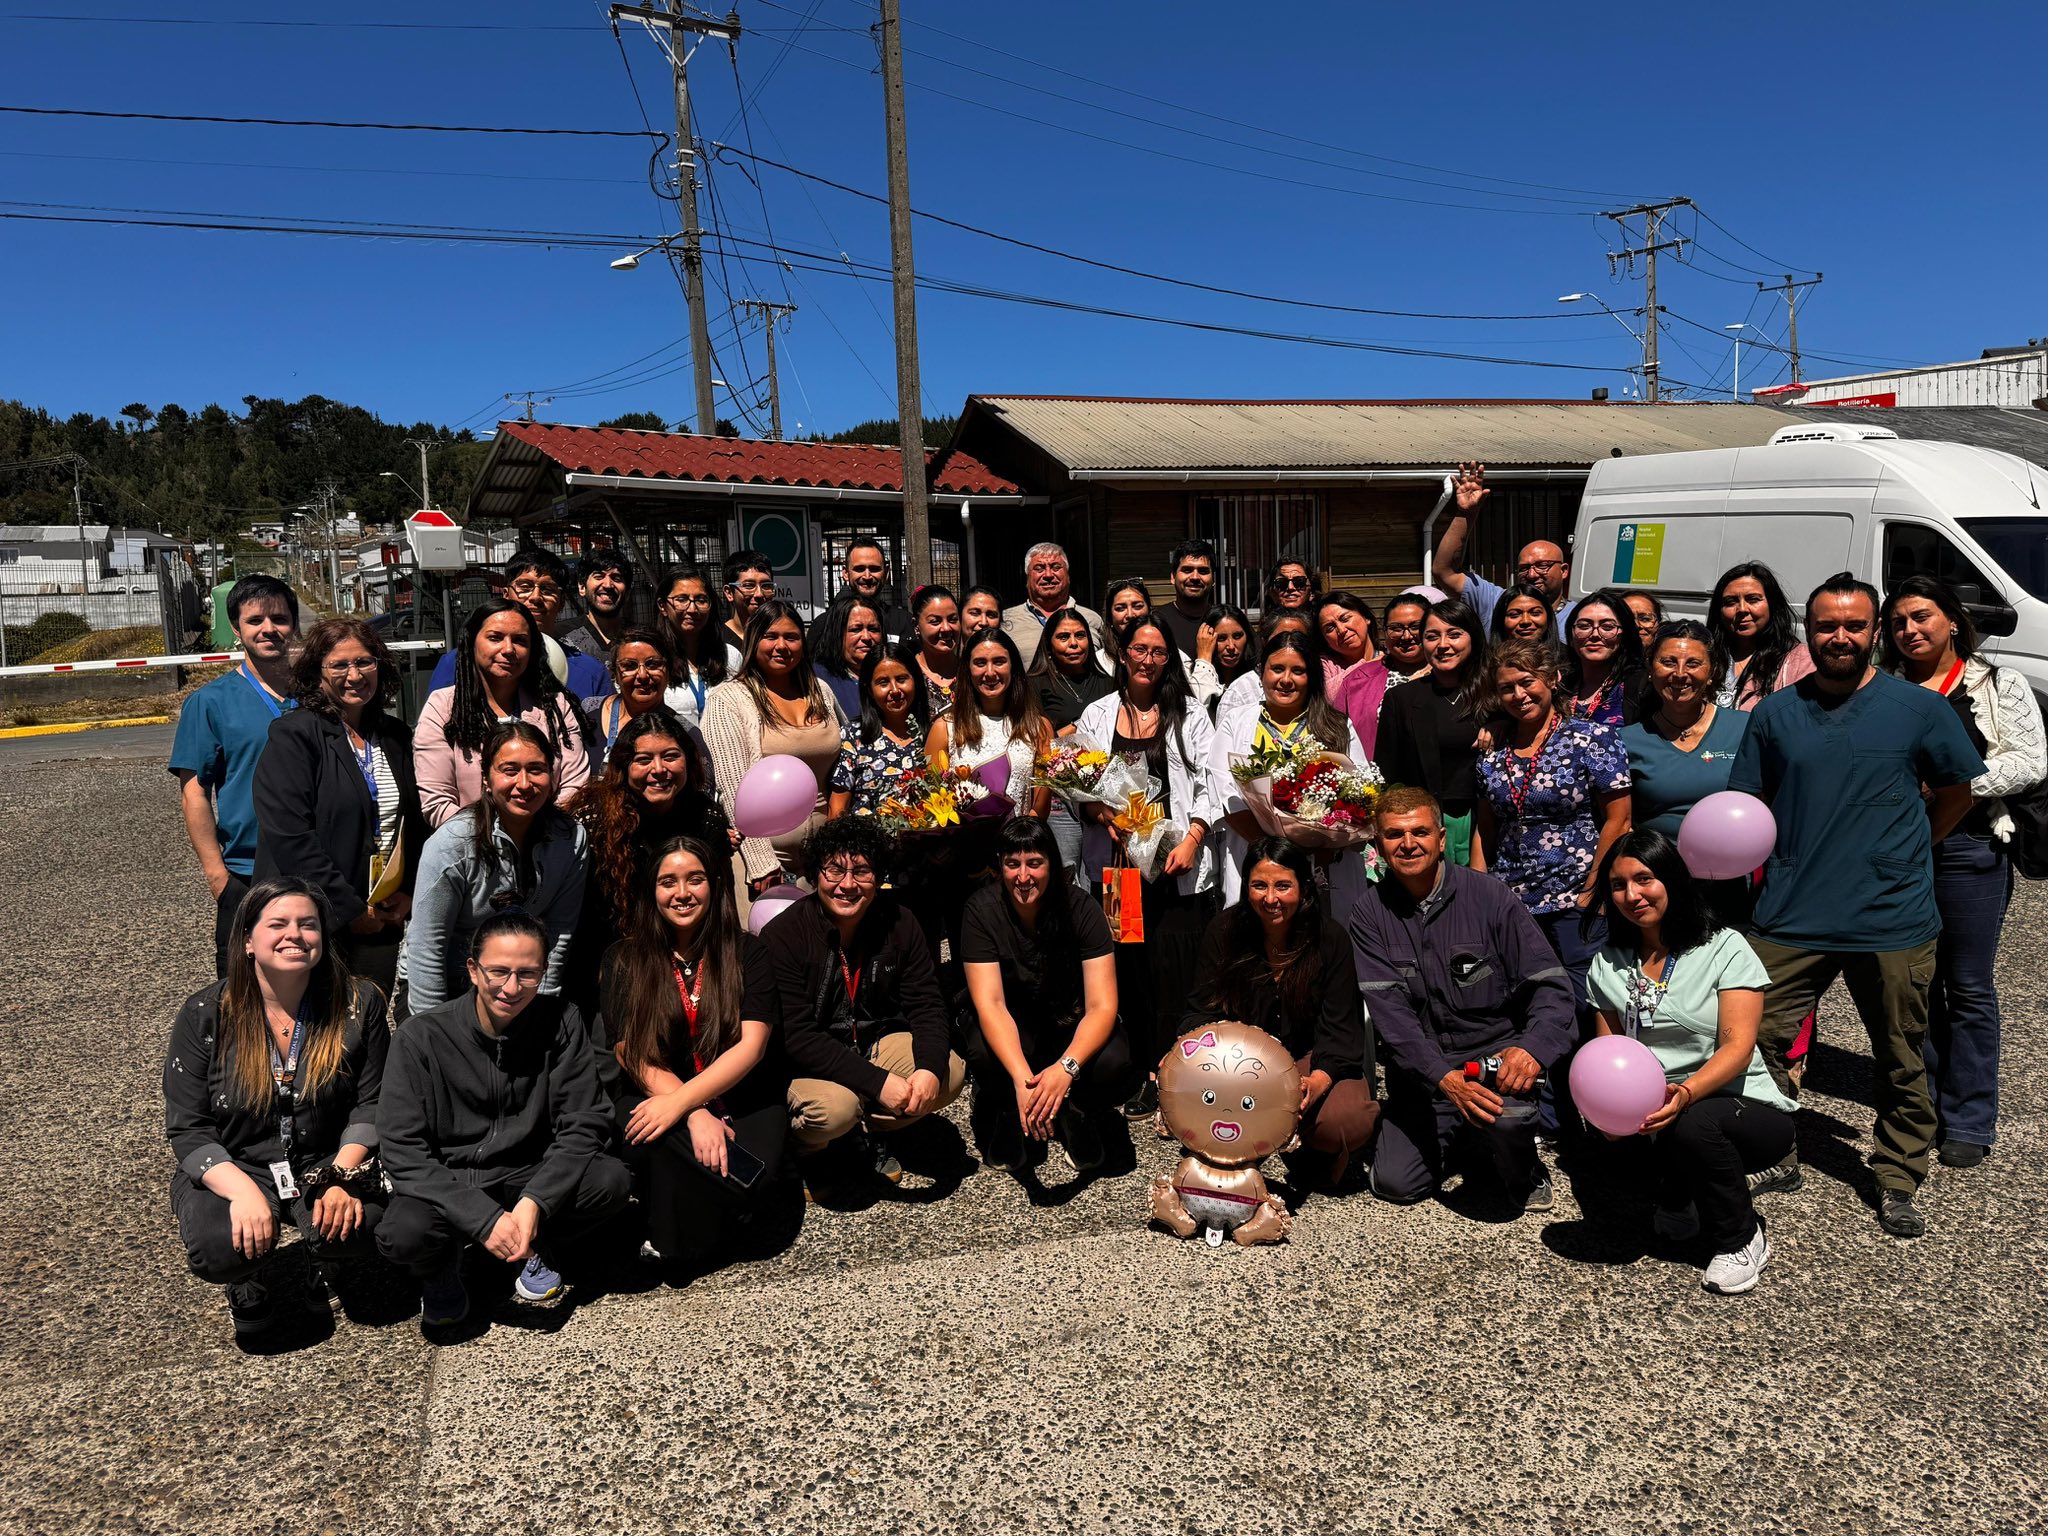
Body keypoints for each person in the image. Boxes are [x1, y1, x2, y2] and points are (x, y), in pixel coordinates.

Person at [1727, 573, 1985, 1238]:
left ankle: (1898, 1175)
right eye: (1826, 626)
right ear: (1808, 633)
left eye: (1854, 625)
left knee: (1901, 1054)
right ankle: (1774, 1149)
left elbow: (1957, 791)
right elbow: (1748, 804)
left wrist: (1914, 848)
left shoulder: (1918, 709)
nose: (1840, 637)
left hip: (1891, 915)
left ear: (1874, 633)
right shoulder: (1775, 715)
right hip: (1792, 913)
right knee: (1753, 1042)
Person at [379, 912, 631, 1326]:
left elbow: (585, 1120)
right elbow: (403, 1150)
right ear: (472, 970)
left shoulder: (562, 1020)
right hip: (453, 1179)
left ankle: (532, 1241)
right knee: (403, 1233)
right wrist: (482, 1218)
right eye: (498, 971)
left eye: (527, 974)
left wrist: (536, 1202)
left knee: (610, 1181)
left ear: (543, 973)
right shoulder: (420, 1037)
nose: (511, 988)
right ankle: (440, 1269)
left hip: (527, 1172)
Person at [163, 879, 388, 1338]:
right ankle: (246, 1279)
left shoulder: (358, 1004)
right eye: (278, 924)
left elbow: (375, 1102)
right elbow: (189, 1126)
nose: (295, 935)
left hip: (325, 1159)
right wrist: (242, 1192)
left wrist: (341, 1176)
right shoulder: (206, 1013)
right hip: (239, 1161)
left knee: (374, 1226)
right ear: (247, 940)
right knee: (220, 1247)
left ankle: (324, 1259)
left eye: (308, 924)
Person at [1880, 576, 2046, 1170]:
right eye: (1898, 622)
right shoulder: (1884, 688)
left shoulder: (2000, 683)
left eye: (1921, 616)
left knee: (1969, 985)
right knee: (1915, 983)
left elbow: (2030, 761)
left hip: (1972, 848)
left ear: (1953, 620)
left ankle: (1970, 1117)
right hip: (1900, 851)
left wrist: (1954, 785)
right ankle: (1921, 1106)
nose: (1909, 630)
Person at [1587, 831, 1798, 1295]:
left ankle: (1741, 1239)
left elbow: (1737, 1048)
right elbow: (1609, 1054)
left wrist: (1684, 1093)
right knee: (1613, 1150)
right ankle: (1679, 1194)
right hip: (1656, 1110)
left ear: (1673, 879)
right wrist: (1608, 1115)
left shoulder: (1725, 948)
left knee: (1696, 1123)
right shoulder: (1608, 964)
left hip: (1739, 1107)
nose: (1632, 895)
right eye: (1618, 885)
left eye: (1644, 879)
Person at [1351, 787, 1576, 1212]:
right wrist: (1444, 1078)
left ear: (1441, 838)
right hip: (1425, 1074)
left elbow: (1550, 986)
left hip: (1491, 1062)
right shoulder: (1369, 913)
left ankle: (1521, 1164)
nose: (1408, 844)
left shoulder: (1491, 897)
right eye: (1394, 834)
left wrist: (1532, 1050)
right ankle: (1466, 1139)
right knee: (1395, 1183)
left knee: (1509, 1120)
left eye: (1420, 832)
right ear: (1377, 845)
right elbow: (1393, 1019)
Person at [596, 835, 788, 1279]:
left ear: (714, 885)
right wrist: (692, 1112)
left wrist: (686, 1103)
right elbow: (629, 1051)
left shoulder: (748, 952)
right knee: (655, 1140)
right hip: (656, 1090)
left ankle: (683, 1220)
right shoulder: (623, 958)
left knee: (752, 1176)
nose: (682, 893)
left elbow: (752, 1046)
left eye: (695, 879)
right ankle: (680, 1241)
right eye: (668, 882)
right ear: (651, 891)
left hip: (741, 1095)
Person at [763, 818, 968, 1197]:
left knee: (948, 1073)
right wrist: (879, 1083)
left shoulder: (900, 922)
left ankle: (866, 1131)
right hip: (806, 1066)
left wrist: (927, 1069)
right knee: (834, 1110)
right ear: (816, 874)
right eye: (834, 870)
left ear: (879, 877)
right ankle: (808, 1149)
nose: (847, 884)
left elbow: (927, 1004)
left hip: (870, 1043)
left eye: (861, 871)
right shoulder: (784, 935)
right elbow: (798, 1036)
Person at [1076, 617, 1221, 1114]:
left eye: (1159, 652)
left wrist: (1195, 837)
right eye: (1139, 649)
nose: (1148, 660)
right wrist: (1102, 814)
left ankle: (1175, 1067)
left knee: (1176, 969)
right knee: (1131, 969)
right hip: (1121, 870)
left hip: (1177, 865)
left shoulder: (1190, 713)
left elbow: (1210, 783)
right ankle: (1142, 1068)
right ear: (1123, 653)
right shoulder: (1098, 714)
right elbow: (1079, 785)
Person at [1184, 838, 1379, 1187]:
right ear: (1246, 887)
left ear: (1303, 889)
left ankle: (1311, 1148)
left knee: (1344, 1120)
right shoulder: (1224, 932)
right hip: (1238, 1062)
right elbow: (1201, 1012)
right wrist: (1204, 1062)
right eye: (1259, 885)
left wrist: (1316, 1083)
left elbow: (1342, 1029)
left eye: (1283, 886)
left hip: (1308, 1057)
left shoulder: (1330, 938)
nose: (1270, 898)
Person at [254, 618, 427, 996]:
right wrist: (347, 910)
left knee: (367, 1016)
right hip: (312, 919)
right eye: (339, 665)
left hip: (380, 915)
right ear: (317, 673)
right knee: (310, 1022)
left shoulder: (395, 736)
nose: (355, 675)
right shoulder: (295, 736)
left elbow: (415, 822)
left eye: (365, 662)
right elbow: (290, 836)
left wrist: (408, 890)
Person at [958, 817, 1131, 1175]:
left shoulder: (1082, 909)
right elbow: (990, 1004)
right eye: (1013, 864)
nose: (1023, 877)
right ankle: (1009, 1109)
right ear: (1000, 866)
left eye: (1034, 863)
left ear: (1052, 863)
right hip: (1015, 1025)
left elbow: (1103, 1005)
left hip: (1067, 1020)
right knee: (980, 1046)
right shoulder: (980, 910)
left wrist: (1067, 1068)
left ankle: (1078, 1111)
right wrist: (1023, 1081)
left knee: (1114, 1058)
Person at [1471, 638, 1632, 1015]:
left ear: (1553, 679)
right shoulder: (1492, 753)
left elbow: (1620, 819)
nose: (1519, 695)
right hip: (1510, 901)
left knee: (1585, 1003)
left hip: (1574, 896)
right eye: (1507, 688)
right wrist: (1477, 894)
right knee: (1525, 1003)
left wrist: (1593, 891)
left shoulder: (1591, 738)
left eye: (1527, 682)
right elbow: (1485, 829)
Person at [402, 722, 589, 1014]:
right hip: (451, 982)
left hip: (520, 983)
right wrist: (431, 1028)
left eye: (536, 769)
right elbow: (427, 947)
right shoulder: (452, 844)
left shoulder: (571, 840)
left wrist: (542, 1009)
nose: (524, 784)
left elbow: (558, 934)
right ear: (486, 779)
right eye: (509, 770)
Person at [169, 573, 300, 975]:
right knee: (242, 993)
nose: (268, 629)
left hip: (317, 866)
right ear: (237, 629)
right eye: (255, 620)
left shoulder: (316, 695)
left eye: (279, 619)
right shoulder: (209, 703)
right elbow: (194, 793)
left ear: (294, 624)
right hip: (246, 870)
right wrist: (218, 879)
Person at [566, 713, 732, 1016]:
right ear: (624, 766)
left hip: (688, 961)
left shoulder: (706, 817)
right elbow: (584, 919)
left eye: (670, 756)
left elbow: (720, 905)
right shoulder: (594, 820)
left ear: (688, 760)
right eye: (643, 759)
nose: (659, 769)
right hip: (612, 964)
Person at [1211, 629, 1368, 925]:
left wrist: (1321, 846)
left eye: (1298, 671)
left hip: (1324, 862)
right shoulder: (1236, 722)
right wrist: (1277, 855)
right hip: (1257, 857)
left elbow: (1359, 795)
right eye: (1277, 669)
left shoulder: (1336, 726)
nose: (1286, 679)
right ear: (1262, 672)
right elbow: (1225, 796)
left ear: (1312, 677)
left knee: (1325, 937)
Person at [702, 600, 846, 894]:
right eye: (771, 637)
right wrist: (760, 861)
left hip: (824, 859)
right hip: (765, 866)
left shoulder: (821, 692)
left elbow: (847, 759)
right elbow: (734, 788)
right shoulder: (727, 700)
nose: (782, 646)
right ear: (753, 641)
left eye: (791, 637)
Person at [1620, 621, 1753, 924]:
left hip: (1730, 888)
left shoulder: (1745, 728)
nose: (1680, 674)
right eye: (1668, 662)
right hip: (1659, 890)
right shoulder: (1627, 740)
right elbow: (1620, 822)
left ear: (1712, 671)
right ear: (1650, 669)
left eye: (1693, 663)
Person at [415, 600, 590, 827]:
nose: (508, 649)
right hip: (470, 843)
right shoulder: (443, 707)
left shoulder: (555, 706)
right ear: (472, 642)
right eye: (495, 638)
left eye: (519, 640)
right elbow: (437, 802)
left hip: (548, 840)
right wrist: (495, 840)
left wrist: (536, 836)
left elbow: (575, 787)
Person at [1374, 598, 1490, 866]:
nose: (1443, 645)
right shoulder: (1402, 699)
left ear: (1473, 637)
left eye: (1454, 634)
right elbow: (1387, 776)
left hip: (1486, 824)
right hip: (1424, 827)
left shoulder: (1496, 695)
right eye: (1432, 636)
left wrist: (1500, 724)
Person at [427, 549, 612, 700]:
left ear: (562, 602)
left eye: (547, 590)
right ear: (506, 595)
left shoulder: (591, 673)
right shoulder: (459, 662)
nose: (535, 597)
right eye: (525, 587)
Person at [1429, 461, 1576, 631]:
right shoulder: (1496, 602)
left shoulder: (1580, 617)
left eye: (1542, 566)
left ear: (1564, 571)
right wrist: (1466, 513)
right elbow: (1445, 572)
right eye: (1524, 568)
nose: (1531, 574)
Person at [926, 630, 1053, 820]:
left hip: (1020, 836)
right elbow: (932, 801)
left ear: (1013, 667)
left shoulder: (1038, 727)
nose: (990, 672)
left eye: (999, 662)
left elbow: (1041, 806)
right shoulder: (944, 728)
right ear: (967, 669)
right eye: (980, 663)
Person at [1029, 609, 1116, 878]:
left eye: (1080, 635)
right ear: (1049, 644)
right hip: (1058, 797)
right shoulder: (1034, 685)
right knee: (1066, 873)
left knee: (1101, 873)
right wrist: (1078, 726)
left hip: (1102, 795)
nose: (1074, 643)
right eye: (1063, 637)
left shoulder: (1108, 683)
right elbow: (1036, 744)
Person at [828, 647, 930, 818]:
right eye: (883, 682)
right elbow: (837, 807)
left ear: (916, 681)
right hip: (867, 834)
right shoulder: (854, 737)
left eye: (901, 679)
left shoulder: (934, 733)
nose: (895, 690)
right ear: (869, 689)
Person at [1708, 561, 1815, 712]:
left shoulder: (1799, 660)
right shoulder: (1706, 655)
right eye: (1731, 602)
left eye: (1753, 599)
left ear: (1772, 604)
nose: (1742, 609)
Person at [586, 627, 691, 769]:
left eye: (653, 664)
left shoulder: (687, 734)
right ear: (615, 674)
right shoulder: (587, 714)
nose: (642, 675)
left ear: (669, 671)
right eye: (629, 666)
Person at [655, 563, 735, 734]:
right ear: (662, 606)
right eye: (681, 599)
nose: (692, 609)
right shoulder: (652, 660)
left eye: (701, 600)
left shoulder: (730, 656)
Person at [1001, 541, 1111, 661]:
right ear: (1027, 578)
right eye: (1039, 569)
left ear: (1068, 576)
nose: (1048, 575)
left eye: (1056, 567)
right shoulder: (1007, 620)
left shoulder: (1092, 619)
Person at [1560, 588, 1648, 728]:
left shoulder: (1641, 687)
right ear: (1571, 635)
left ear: (1624, 635)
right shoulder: (1560, 684)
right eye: (1584, 626)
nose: (1595, 634)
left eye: (1607, 627)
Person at [1322, 591, 1390, 759]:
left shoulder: (1392, 663)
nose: (1341, 630)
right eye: (1330, 628)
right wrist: (1368, 664)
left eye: (1345, 619)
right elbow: (1327, 697)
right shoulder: (1323, 665)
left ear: (1366, 617)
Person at [808, 539, 912, 646]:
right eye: (859, 569)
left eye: (874, 569)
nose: (867, 576)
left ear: (886, 572)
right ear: (845, 573)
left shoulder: (904, 623)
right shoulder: (824, 625)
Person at [811, 590, 885, 722]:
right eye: (856, 629)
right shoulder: (817, 679)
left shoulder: (893, 674)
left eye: (873, 629)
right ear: (837, 633)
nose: (866, 637)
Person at [902, 583, 964, 714]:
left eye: (953, 620)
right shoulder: (906, 674)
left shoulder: (971, 671)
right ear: (916, 626)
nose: (946, 628)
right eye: (935, 621)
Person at [1187, 601, 1254, 717]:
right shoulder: (1189, 676)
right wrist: (1204, 658)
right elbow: (1195, 712)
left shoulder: (1257, 679)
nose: (1231, 646)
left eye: (1237, 636)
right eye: (1221, 638)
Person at [561, 548, 629, 659]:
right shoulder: (562, 638)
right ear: (582, 587)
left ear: (628, 591)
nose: (608, 585)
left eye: (616, 578)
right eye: (599, 577)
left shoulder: (639, 638)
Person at [721, 548, 777, 652]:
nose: (759, 594)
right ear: (729, 593)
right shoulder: (717, 641)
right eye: (749, 586)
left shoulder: (781, 636)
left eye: (766, 586)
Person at [1488, 581, 1559, 651]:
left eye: (1535, 613)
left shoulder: (1565, 656)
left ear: (1548, 617)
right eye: (1514, 615)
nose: (1525, 621)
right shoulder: (1488, 657)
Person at [1379, 592, 1432, 685]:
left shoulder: (1451, 673)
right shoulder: (1362, 677)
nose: (1406, 637)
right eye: (1396, 628)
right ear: (1385, 630)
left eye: (1415, 627)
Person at [1101, 578, 1154, 655]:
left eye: (1137, 606)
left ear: (1149, 610)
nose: (1130, 614)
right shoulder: (1098, 660)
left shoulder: (1168, 654)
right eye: (1120, 608)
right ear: (1110, 616)